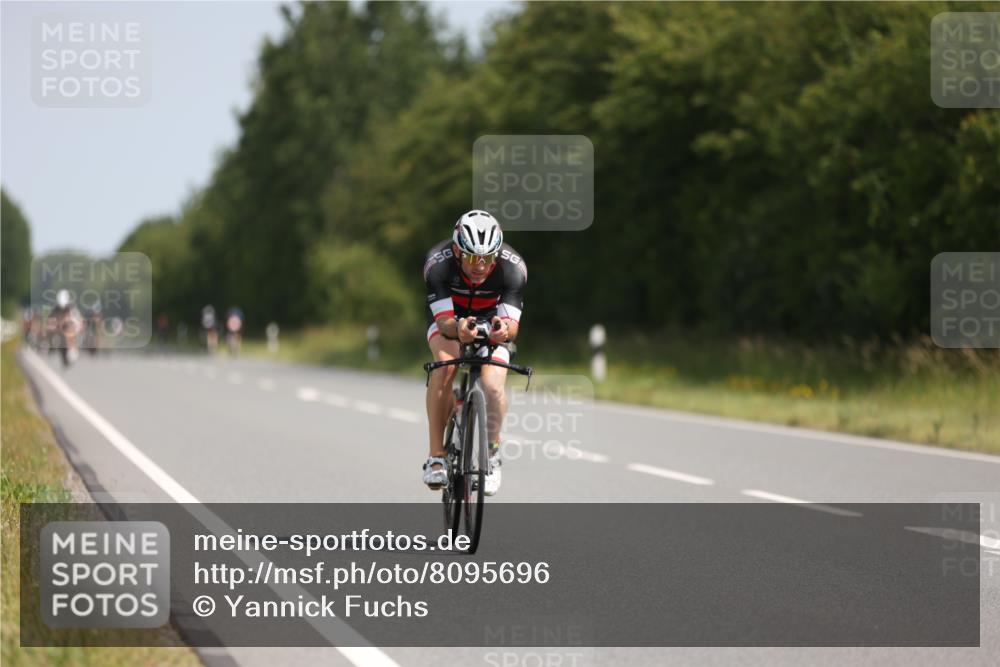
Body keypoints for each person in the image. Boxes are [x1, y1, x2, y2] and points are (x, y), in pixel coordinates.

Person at [422, 210, 527, 496]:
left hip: (492, 319)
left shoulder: (513, 267)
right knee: (445, 365)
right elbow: (444, 322)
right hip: (449, 319)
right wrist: (458, 328)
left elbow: (512, 327)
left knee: (492, 387)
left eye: (488, 258)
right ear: (457, 251)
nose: (480, 266)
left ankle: (491, 455)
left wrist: (502, 331)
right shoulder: (438, 264)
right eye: (471, 257)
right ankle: (436, 457)